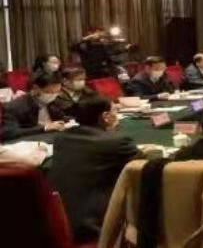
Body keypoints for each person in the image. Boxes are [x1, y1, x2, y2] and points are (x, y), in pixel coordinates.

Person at [49, 95, 141, 243]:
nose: (117, 115)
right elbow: (143, 166)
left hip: (58, 219)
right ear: (105, 116)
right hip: (94, 225)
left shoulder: (61, 138)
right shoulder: (117, 142)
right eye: (115, 111)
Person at [1, 72, 68, 140]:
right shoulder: (15, 107)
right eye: (49, 92)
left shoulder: (53, 102)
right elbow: (10, 133)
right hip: (29, 141)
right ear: (36, 88)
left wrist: (69, 121)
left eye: (57, 92)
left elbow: (62, 117)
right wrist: (45, 128)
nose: (53, 96)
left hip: (53, 138)